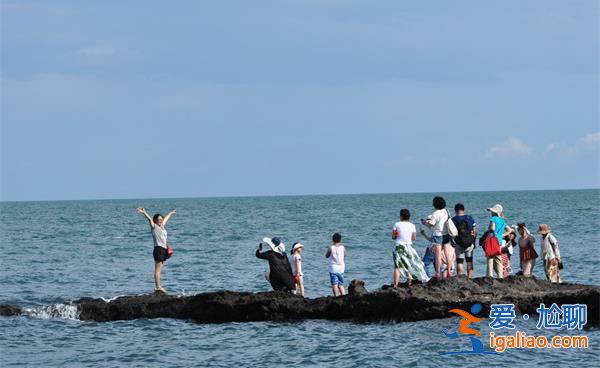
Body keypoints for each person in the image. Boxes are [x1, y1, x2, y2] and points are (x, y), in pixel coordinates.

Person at [137, 207, 176, 293]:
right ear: (155, 221)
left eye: (161, 219)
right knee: (157, 270)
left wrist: (171, 213)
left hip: (163, 250)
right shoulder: (154, 227)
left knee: (160, 269)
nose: (161, 221)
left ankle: (158, 286)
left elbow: (166, 219)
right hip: (158, 249)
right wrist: (144, 212)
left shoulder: (162, 226)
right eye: (159, 220)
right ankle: (158, 287)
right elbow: (149, 219)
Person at [392, 209, 429, 287]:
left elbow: (393, 236)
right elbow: (414, 238)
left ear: (401, 216)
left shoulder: (397, 224)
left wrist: (398, 235)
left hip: (399, 246)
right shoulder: (412, 225)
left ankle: (395, 285)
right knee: (409, 264)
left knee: (397, 266)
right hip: (409, 247)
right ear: (409, 217)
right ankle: (409, 282)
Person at [421, 196, 455, 280]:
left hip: (438, 234)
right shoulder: (446, 211)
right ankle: (449, 272)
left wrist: (425, 223)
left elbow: (430, 225)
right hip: (446, 234)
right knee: (447, 253)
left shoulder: (435, 213)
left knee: (438, 254)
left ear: (435, 204)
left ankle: (438, 273)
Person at [451, 203, 477, 278]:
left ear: (455, 211)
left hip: (459, 244)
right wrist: (473, 240)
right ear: (464, 210)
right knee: (469, 261)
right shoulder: (470, 218)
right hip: (469, 243)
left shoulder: (453, 220)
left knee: (459, 262)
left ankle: (461, 278)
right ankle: (470, 277)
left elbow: (452, 233)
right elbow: (474, 231)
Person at [486, 204, 511, 278]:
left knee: (490, 258)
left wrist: (490, 231)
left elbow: (492, 228)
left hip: (492, 240)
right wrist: (502, 235)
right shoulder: (502, 221)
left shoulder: (493, 219)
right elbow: (509, 230)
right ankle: (500, 276)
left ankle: (489, 276)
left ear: (494, 212)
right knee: (498, 259)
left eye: (491, 212)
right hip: (499, 241)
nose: (491, 213)